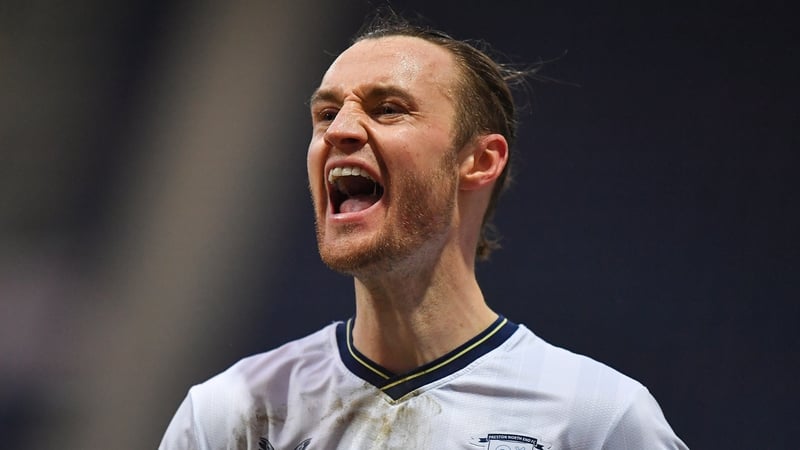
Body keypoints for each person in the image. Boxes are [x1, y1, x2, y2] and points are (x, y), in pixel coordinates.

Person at [159, 13, 688, 450]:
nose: (339, 130)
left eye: (387, 109)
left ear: (479, 160)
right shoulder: (232, 416)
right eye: (325, 114)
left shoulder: (597, 420)